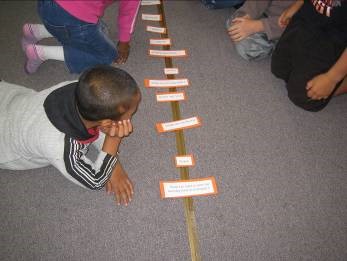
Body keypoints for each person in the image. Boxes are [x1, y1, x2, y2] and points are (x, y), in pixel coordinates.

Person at [0, 65, 141, 206]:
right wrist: (113, 139)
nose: (130, 119)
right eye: (130, 115)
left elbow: (98, 125)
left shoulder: (77, 88)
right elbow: (96, 180)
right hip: (6, 147)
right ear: (106, 124)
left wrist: (113, 164)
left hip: (9, 97)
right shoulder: (60, 147)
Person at [22, 0, 140, 74]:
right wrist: (124, 41)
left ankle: (36, 31)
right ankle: (40, 53)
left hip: (46, 6)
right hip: (68, 17)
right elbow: (128, 12)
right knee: (108, 56)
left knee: (102, 29)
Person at [271, 0, 347, 111]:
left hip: (336, 38)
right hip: (308, 18)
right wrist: (297, 4)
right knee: (279, 69)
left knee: (304, 96)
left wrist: (332, 78)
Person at [226, 0, 293, 61]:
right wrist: (248, 14)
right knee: (234, 22)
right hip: (264, 12)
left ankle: (276, 46)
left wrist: (257, 26)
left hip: (282, 28)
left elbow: (293, 22)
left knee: (246, 48)